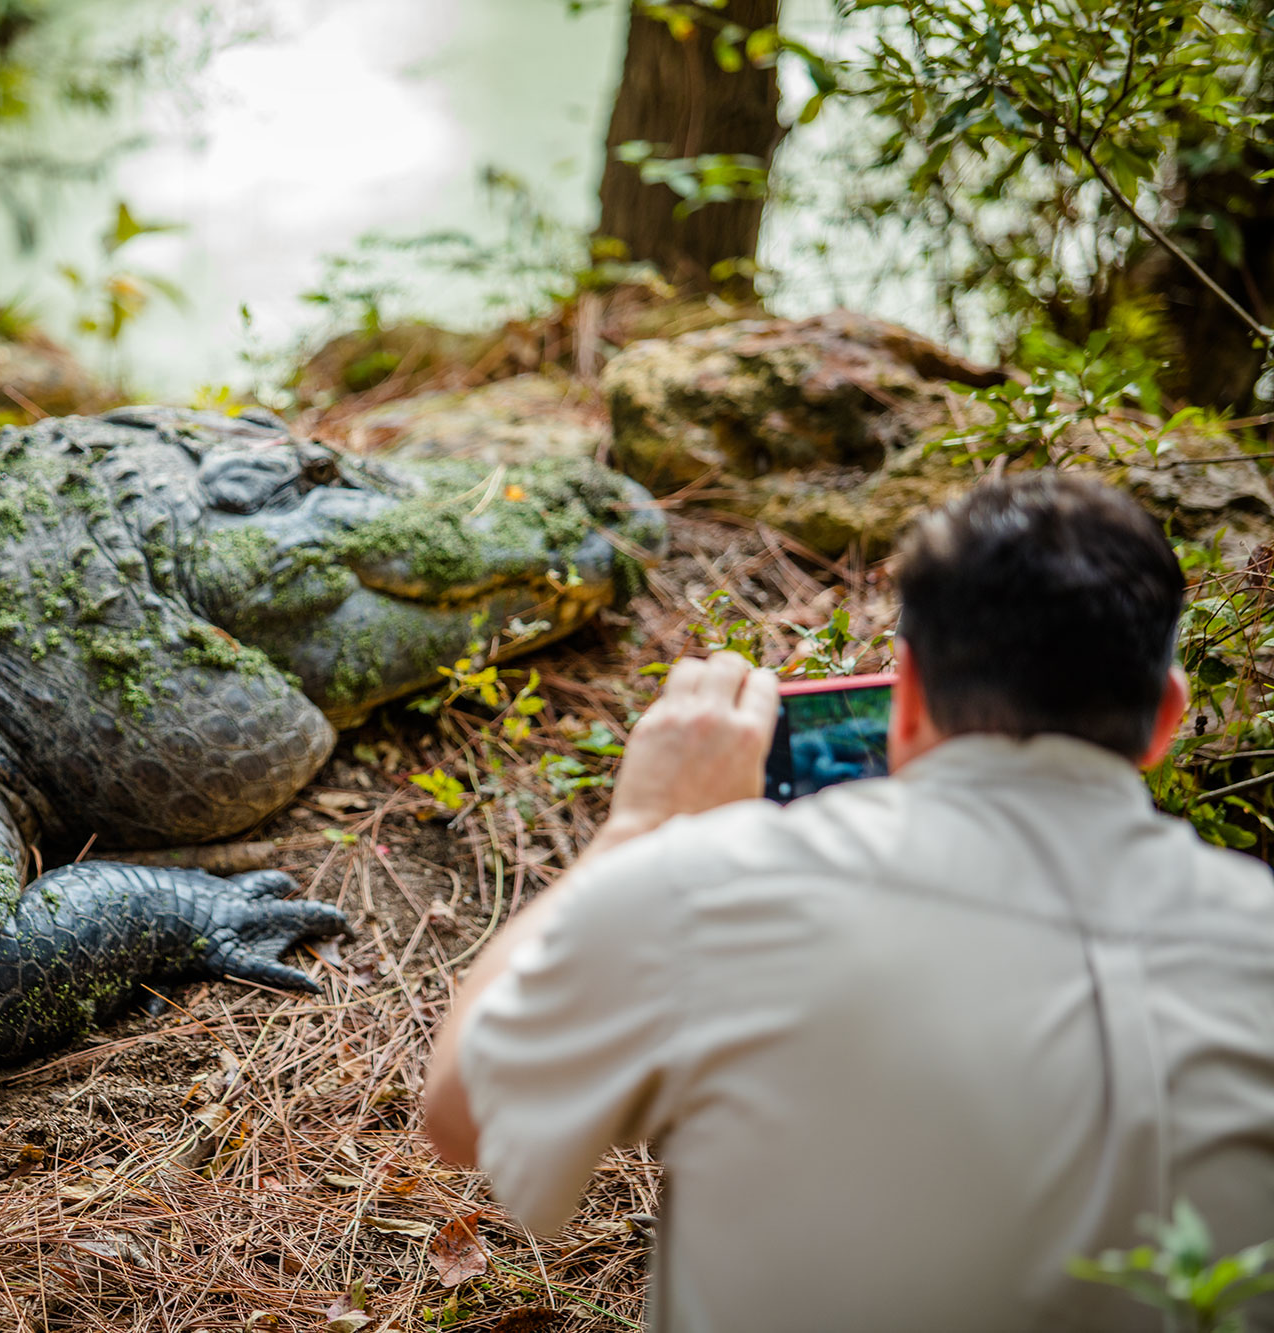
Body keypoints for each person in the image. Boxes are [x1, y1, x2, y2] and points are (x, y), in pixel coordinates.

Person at [421, 473, 1274, 1332]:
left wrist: (641, 825)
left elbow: (460, 1110)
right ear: (1166, 718)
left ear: (904, 696)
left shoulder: (715, 886)